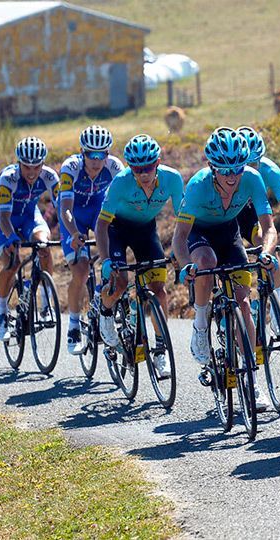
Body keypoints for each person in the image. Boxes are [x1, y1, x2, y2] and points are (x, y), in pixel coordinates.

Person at [172, 128, 277, 410]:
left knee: (244, 304)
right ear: (211, 167)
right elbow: (179, 238)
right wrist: (186, 266)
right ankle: (201, 323)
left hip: (229, 233)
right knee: (206, 263)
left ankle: (253, 382)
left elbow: (269, 227)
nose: (232, 177)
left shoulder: (252, 178)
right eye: (224, 170)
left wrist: (266, 253)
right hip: (199, 234)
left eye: (237, 169)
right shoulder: (197, 185)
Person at [95, 134, 184, 378]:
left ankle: (160, 350)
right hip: (116, 230)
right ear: (130, 167)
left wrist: (180, 251)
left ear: (157, 162)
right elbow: (101, 226)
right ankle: (105, 311)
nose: (143, 173)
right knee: (120, 282)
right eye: (137, 168)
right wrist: (106, 261)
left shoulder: (172, 178)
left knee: (159, 290)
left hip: (145, 230)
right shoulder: (121, 182)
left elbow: (184, 221)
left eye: (148, 167)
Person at [58, 125, 123, 354]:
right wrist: (74, 232)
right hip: (74, 214)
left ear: (107, 154)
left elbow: (121, 203)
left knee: (113, 256)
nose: (96, 161)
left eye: (101, 154)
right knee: (81, 270)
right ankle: (74, 325)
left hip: (98, 210)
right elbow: (65, 208)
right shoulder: (71, 167)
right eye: (90, 155)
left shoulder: (115, 167)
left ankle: (101, 300)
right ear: (82, 152)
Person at [0, 137, 58, 341]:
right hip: (3, 217)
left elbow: (64, 207)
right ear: (19, 162)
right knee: (13, 263)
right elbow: (3, 217)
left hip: (29, 215)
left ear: (43, 164)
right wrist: (11, 238)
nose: (31, 172)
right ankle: (1, 311)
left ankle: (46, 295)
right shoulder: (8, 178)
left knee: (44, 246)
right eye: (26, 166)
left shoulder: (49, 176)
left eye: (36, 166)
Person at [235, 126, 280, 333]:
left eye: (255, 162)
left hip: (251, 216)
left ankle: (276, 313)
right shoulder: (228, 173)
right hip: (227, 218)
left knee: (269, 246)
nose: (251, 168)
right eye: (246, 163)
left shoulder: (269, 169)